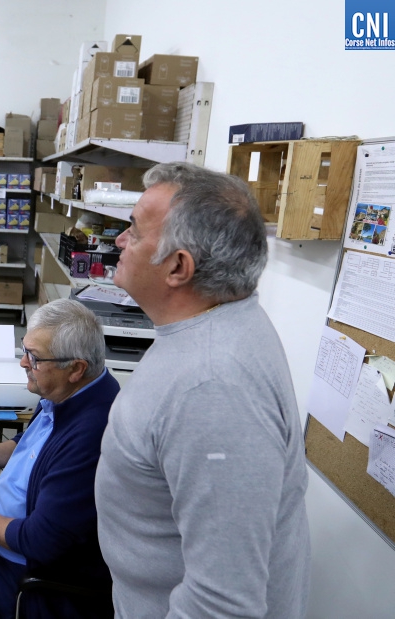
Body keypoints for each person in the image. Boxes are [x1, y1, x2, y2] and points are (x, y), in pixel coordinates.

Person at [95, 162, 311, 617]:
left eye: (133, 230)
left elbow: (221, 604)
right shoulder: (211, 326)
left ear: (178, 267)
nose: (119, 241)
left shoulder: (212, 386)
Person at [0, 299, 120, 619]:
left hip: (26, 576)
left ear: (76, 368)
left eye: (35, 357)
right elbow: (29, 444)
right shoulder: (68, 394)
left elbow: (39, 541)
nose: (23, 363)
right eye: (24, 350)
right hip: (2, 537)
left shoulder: (91, 433)